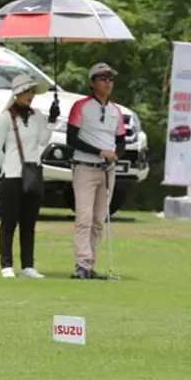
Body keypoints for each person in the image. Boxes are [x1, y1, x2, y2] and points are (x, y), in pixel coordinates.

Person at [0, 74, 60, 279]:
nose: (31, 95)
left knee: (29, 224)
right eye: (27, 92)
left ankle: (28, 265)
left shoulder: (37, 115)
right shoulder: (5, 117)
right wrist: (7, 167)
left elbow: (43, 140)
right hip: (12, 176)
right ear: (18, 94)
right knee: (9, 222)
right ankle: (6, 265)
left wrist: (52, 120)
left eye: (32, 92)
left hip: (32, 173)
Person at [66, 63, 126, 280]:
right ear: (92, 83)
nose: (108, 83)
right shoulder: (80, 106)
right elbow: (72, 139)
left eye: (110, 79)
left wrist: (115, 155)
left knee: (99, 220)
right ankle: (81, 264)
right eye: (102, 79)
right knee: (84, 218)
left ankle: (90, 264)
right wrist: (100, 151)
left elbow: (121, 141)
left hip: (107, 170)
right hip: (85, 167)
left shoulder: (116, 111)